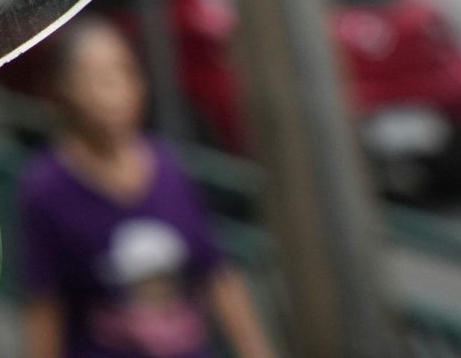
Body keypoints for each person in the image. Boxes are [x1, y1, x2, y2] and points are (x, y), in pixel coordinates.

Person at [16, 18, 275, 358]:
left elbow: (216, 274)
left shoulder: (167, 166)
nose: (115, 92)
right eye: (96, 78)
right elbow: (44, 310)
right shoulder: (46, 190)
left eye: (124, 72)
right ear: (62, 88)